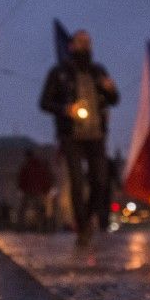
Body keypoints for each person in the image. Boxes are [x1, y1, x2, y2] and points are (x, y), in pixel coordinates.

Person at [39, 29, 119, 245]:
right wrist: (66, 109)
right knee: (76, 180)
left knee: (100, 180)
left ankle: (91, 215)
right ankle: (82, 226)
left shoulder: (98, 71)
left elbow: (114, 99)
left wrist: (110, 90)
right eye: (81, 41)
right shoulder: (59, 72)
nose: (85, 45)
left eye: (88, 42)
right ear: (72, 46)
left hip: (96, 133)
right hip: (71, 133)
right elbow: (44, 102)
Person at [17, 148, 53, 231]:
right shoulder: (40, 165)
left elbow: (22, 178)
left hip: (29, 190)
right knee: (39, 209)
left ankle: (21, 227)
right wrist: (46, 189)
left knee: (24, 209)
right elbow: (45, 178)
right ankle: (41, 227)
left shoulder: (26, 166)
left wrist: (21, 188)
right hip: (38, 190)